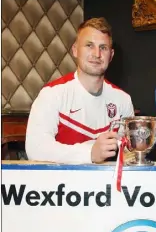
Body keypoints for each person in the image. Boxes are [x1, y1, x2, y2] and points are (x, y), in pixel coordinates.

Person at [26, 17, 134, 164]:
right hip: (62, 184)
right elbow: (35, 148)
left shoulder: (123, 100)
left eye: (103, 47)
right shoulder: (52, 93)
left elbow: (129, 154)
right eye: (89, 45)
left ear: (111, 55)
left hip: (105, 185)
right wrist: (90, 153)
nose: (97, 54)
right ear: (75, 50)